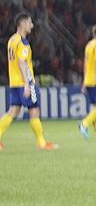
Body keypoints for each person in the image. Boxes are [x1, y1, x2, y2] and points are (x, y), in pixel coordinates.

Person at [1, 13, 58, 151]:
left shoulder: (12, 40)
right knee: (34, 110)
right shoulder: (22, 42)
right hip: (24, 82)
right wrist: (27, 84)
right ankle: (41, 142)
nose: (31, 26)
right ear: (22, 24)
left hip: (14, 82)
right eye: (29, 23)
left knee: (13, 111)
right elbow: (21, 62)